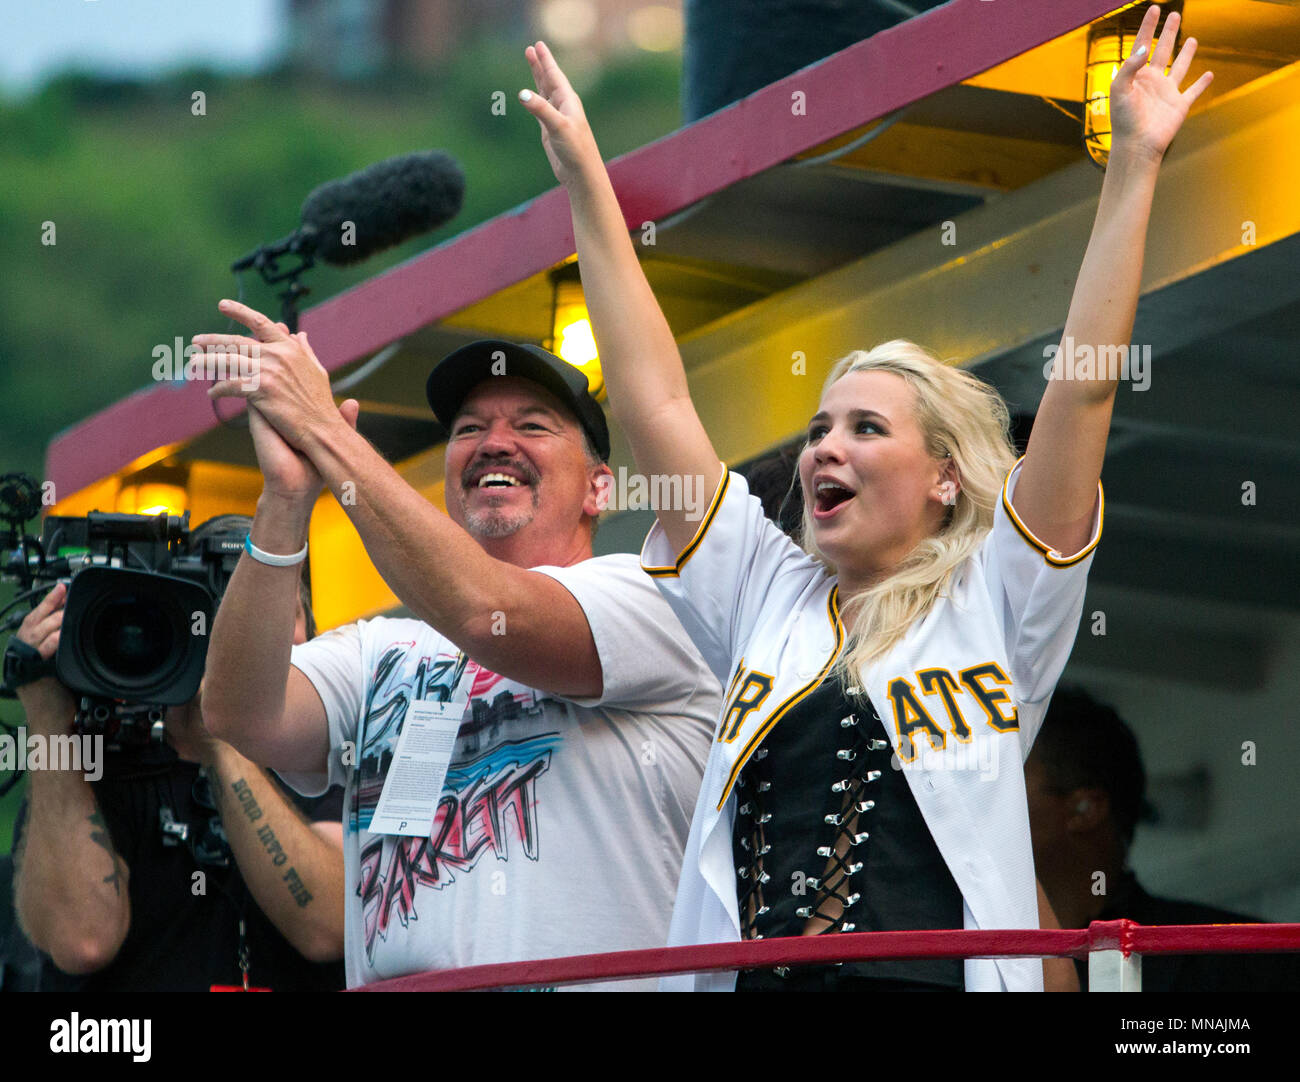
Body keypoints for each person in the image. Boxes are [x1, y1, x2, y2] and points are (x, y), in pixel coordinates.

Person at [518, 3, 1212, 991]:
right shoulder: (762, 590)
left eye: (863, 428)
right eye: (816, 430)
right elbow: (656, 399)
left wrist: (1134, 164)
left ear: (945, 477)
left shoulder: (999, 597)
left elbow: (1085, 382)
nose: (822, 450)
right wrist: (590, 184)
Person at [196, 319, 719, 989]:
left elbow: (484, 612)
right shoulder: (384, 649)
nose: (494, 443)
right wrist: (287, 498)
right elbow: (238, 713)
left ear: (599, 488)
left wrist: (326, 434)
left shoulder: (655, 597)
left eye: (532, 426)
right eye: (469, 429)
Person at [10, 517, 346, 992]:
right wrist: (47, 722)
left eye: (279, 613)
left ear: (311, 631)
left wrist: (222, 740)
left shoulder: (333, 764)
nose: (253, 638)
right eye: (229, 613)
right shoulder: (91, 768)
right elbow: (82, 942)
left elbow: (329, 927)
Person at [1028, 684, 1300, 993]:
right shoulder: (968, 959)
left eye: (1012, 778)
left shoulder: (1255, 960)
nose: (987, 801)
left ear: (1087, 808)